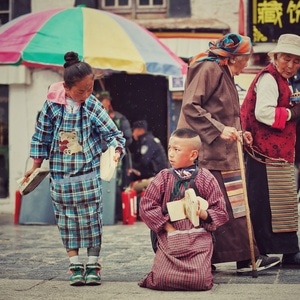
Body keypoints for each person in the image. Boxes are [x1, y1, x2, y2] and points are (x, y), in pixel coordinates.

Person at [177, 33, 280, 273]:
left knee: (232, 206)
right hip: (211, 153)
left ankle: (243, 257)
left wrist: (239, 132)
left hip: (224, 151)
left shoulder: (224, 71)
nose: (247, 64)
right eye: (246, 59)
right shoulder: (209, 69)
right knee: (219, 206)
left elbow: (225, 112)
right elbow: (191, 106)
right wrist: (221, 129)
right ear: (235, 58)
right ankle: (232, 257)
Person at [23, 51, 126, 286]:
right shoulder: (51, 106)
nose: (87, 94)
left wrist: (116, 150)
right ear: (66, 88)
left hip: (88, 174)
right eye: (81, 90)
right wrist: (35, 166)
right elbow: (41, 137)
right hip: (60, 177)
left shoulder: (91, 105)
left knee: (92, 220)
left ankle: (93, 265)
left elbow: (113, 134)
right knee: (67, 221)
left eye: (90, 88)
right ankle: (75, 266)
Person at [139, 128, 228, 291]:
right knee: (161, 278)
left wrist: (203, 214)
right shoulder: (163, 177)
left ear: (193, 155)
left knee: (200, 281)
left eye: (177, 150)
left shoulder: (206, 177)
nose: (171, 154)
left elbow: (221, 211)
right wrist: (169, 229)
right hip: (169, 237)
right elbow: (147, 206)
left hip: (198, 239)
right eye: (170, 148)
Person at [240, 34, 300, 265]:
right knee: (266, 202)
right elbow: (263, 113)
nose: (291, 65)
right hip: (264, 153)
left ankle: (287, 249)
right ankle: (262, 250)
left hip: (276, 154)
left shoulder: (283, 80)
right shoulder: (268, 79)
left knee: (281, 200)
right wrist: (291, 113)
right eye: (286, 59)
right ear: (275, 57)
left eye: (296, 61)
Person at [96, 91, 132, 220]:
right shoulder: (94, 115)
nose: (102, 103)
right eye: (100, 100)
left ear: (108, 101)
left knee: (115, 184)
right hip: (97, 156)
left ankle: (115, 215)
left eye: (104, 100)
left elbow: (127, 138)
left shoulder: (119, 118)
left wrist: (113, 148)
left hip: (115, 156)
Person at [127, 120, 168, 187]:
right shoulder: (149, 139)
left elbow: (144, 162)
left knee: (131, 187)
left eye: (133, 131)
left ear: (139, 130)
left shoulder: (148, 141)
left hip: (156, 178)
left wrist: (134, 168)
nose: (132, 134)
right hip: (159, 176)